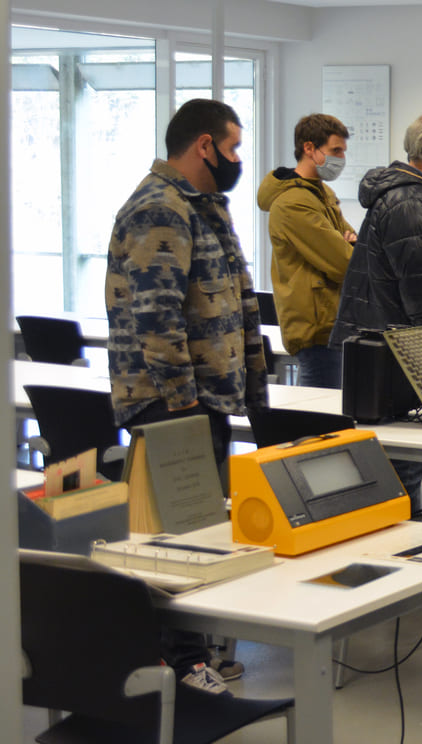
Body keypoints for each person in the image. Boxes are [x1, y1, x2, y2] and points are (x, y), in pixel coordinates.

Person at [106, 97, 267, 694]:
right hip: (172, 404)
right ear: (205, 145)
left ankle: (192, 649)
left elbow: (232, 300)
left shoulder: (200, 207)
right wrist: (181, 404)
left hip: (205, 398)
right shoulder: (160, 209)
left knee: (196, 531)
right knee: (175, 537)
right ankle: (179, 660)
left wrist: (251, 381)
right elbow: (156, 317)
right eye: (233, 147)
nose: (236, 159)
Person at [329, 111, 422, 513]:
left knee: (403, 465)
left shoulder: (411, 194)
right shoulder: (409, 201)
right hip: (397, 354)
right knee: (402, 467)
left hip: (391, 348)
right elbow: (420, 294)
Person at [257, 113, 358, 388]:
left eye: (343, 151)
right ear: (309, 148)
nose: (342, 159)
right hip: (315, 325)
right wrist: (346, 244)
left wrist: (350, 244)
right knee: (319, 415)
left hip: (331, 317)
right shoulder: (293, 203)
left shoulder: (321, 193)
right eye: (336, 150)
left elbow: (358, 245)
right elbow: (346, 262)